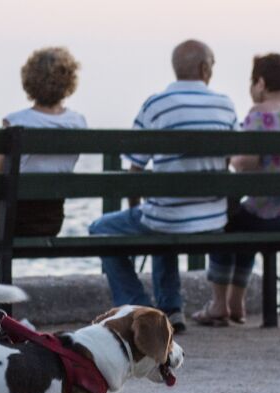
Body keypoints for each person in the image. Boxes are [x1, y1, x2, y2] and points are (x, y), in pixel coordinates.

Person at [88, 39, 237, 334]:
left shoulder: (156, 105)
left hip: (166, 217)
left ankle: (139, 308)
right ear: (205, 68)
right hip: (213, 221)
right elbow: (231, 160)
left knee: (103, 228)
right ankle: (170, 309)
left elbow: (134, 169)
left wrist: (136, 208)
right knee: (161, 216)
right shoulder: (225, 105)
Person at [0, 46, 86, 340]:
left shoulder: (15, 121)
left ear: (29, 81)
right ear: (68, 82)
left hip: (9, 220)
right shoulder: (78, 123)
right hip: (49, 220)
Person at [191, 53, 280, 326]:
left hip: (277, 215)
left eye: (252, 83)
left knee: (225, 221)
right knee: (246, 218)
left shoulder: (259, 114)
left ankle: (219, 304)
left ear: (260, 83)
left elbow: (247, 163)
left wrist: (232, 158)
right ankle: (236, 305)